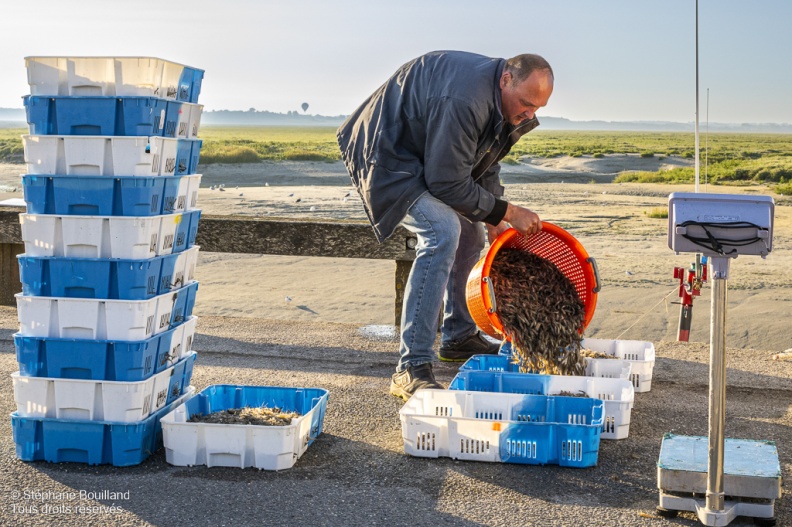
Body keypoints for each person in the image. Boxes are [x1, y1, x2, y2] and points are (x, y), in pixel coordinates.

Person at [337, 50, 554, 401]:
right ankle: (411, 367)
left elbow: (486, 162)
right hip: (387, 153)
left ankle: (458, 337)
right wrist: (507, 211)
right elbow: (446, 184)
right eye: (526, 104)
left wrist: (493, 215)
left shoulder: (503, 101)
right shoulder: (465, 99)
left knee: (470, 230)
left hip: (428, 154)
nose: (529, 114)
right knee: (442, 231)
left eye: (538, 109)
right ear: (506, 80)